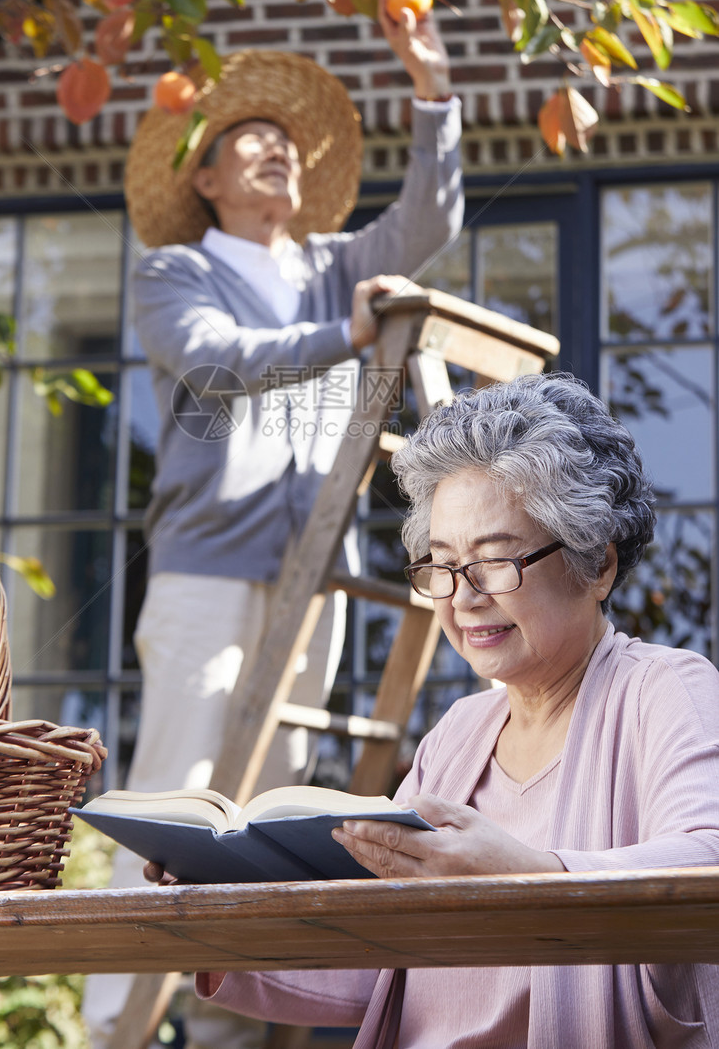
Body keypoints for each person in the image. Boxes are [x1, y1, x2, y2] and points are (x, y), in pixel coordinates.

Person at [81, 0, 464, 1049]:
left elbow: (426, 222)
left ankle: (231, 1025)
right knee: (177, 790)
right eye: (247, 141)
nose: (274, 153)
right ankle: (116, 1019)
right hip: (206, 570)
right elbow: (213, 364)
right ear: (201, 179)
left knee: (275, 804)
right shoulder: (176, 272)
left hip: (318, 573)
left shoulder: (327, 264)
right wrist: (342, 336)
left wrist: (430, 87)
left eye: (285, 144)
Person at [193, 372, 719, 1047]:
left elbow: (707, 864)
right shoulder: (458, 736)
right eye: (440, 564)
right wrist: (208, 916)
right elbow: (379, 962)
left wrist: (520, 874)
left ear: (599, 566)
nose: (463, 596)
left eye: (498, 562)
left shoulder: (666, 690)